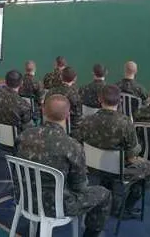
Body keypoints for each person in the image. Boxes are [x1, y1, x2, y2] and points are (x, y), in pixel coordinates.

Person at [16, 94, 111, 237]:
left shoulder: (23, 136)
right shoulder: (72, 146)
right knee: (104, 194)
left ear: (43, 110)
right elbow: (80, 187)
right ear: (67, 115)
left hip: (25, 199)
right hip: (58, 206)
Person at [75, 85, 150, 218]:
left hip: (91, 168)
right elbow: (132, 156)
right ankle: (125, 208)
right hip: (118, 171)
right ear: (119, 101)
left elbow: (78, 144)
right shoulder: (125, 123)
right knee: (147, 168)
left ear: (100, 99)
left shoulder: (86, 121)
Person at [46, 67, 82, 132]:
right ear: (75, 79)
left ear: (61, 77)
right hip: (68, 129)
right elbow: (77, 118)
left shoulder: (50, 92)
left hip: (49, 126)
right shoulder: (75, 96)